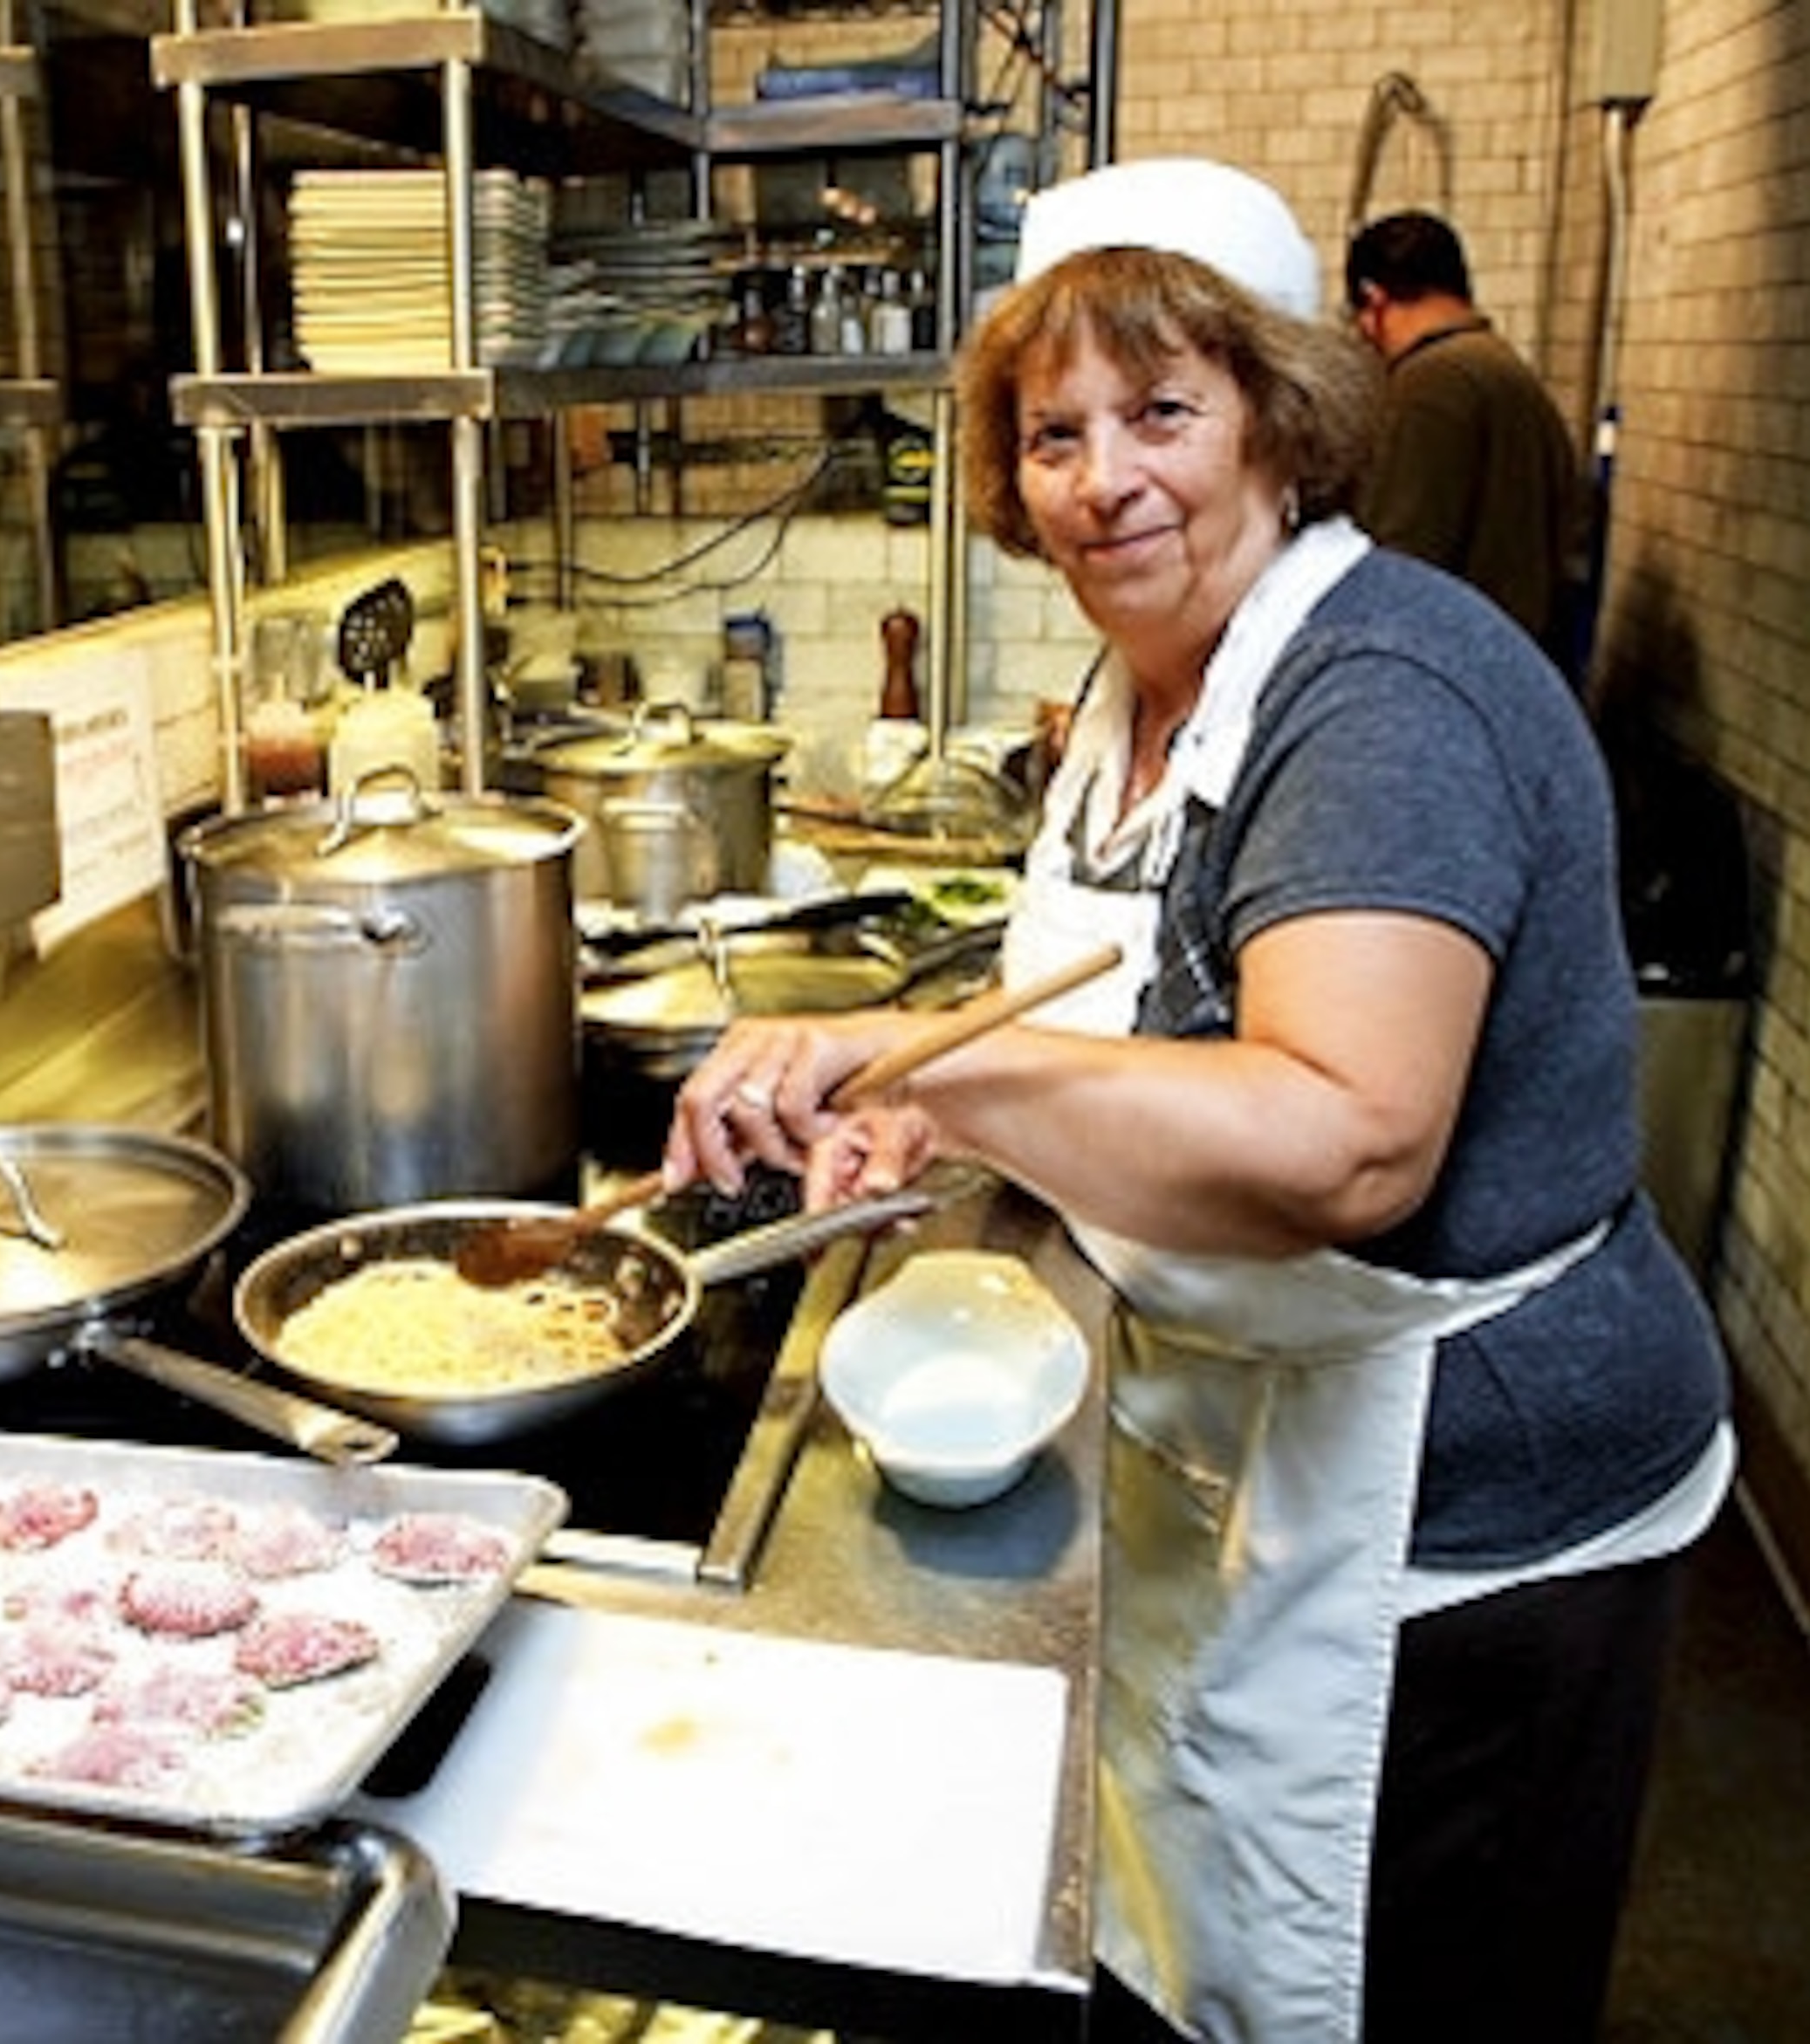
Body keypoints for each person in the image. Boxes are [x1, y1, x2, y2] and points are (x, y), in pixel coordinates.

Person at [665, 158, 1731, 2044]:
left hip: (1461, 1506)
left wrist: (936, 1056)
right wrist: (946, 1118)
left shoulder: (1380, 694)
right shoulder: (1141, 689)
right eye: (1052, 433)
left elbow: (1344, 1137)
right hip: (1254, 1433)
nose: (1104, 478)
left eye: (1161, 411)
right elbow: (1126, 1026)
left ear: (1277, 419)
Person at [1345, 209, 1582, 658]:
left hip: (1452, 657)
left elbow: (1401, 553)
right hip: (1516, 652)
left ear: (1373, 300)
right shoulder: (1504, 368)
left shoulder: (1431, 384)